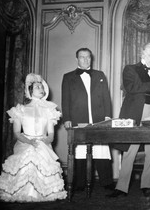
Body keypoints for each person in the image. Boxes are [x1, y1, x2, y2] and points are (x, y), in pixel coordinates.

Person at [107, 42, 150, 198]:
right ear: (142, 54)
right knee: (131, 149)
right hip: (137, 112)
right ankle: (121, 187)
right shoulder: (130, 69)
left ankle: (146, 185)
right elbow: (131, 87)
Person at [0, 73, 67, 202]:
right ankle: (23, 192)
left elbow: (51, 135)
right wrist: (30, 142)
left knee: (42, 159)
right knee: (27, 159)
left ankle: (46, 192)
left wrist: (44, 142)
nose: (41, 89)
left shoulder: (49, 110)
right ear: (29, 90)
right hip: (25, 143)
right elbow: (17, 133)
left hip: (43, 143)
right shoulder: (20, 110)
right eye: (37, 87)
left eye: (42, 87)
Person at [61, 48, 114, 192]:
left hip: (98, 118)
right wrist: (67, 118)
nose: (85, 60)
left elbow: (106, 97)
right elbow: (65, 99)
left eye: (88, 57)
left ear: (91, 58)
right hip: (78, 118)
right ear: (77, 59)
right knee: (79, 150)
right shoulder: (68, 77)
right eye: (82, 57)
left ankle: (107, 182)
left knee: (101, 148)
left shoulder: (100, 75)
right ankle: (80, 183)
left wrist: (108, 116)